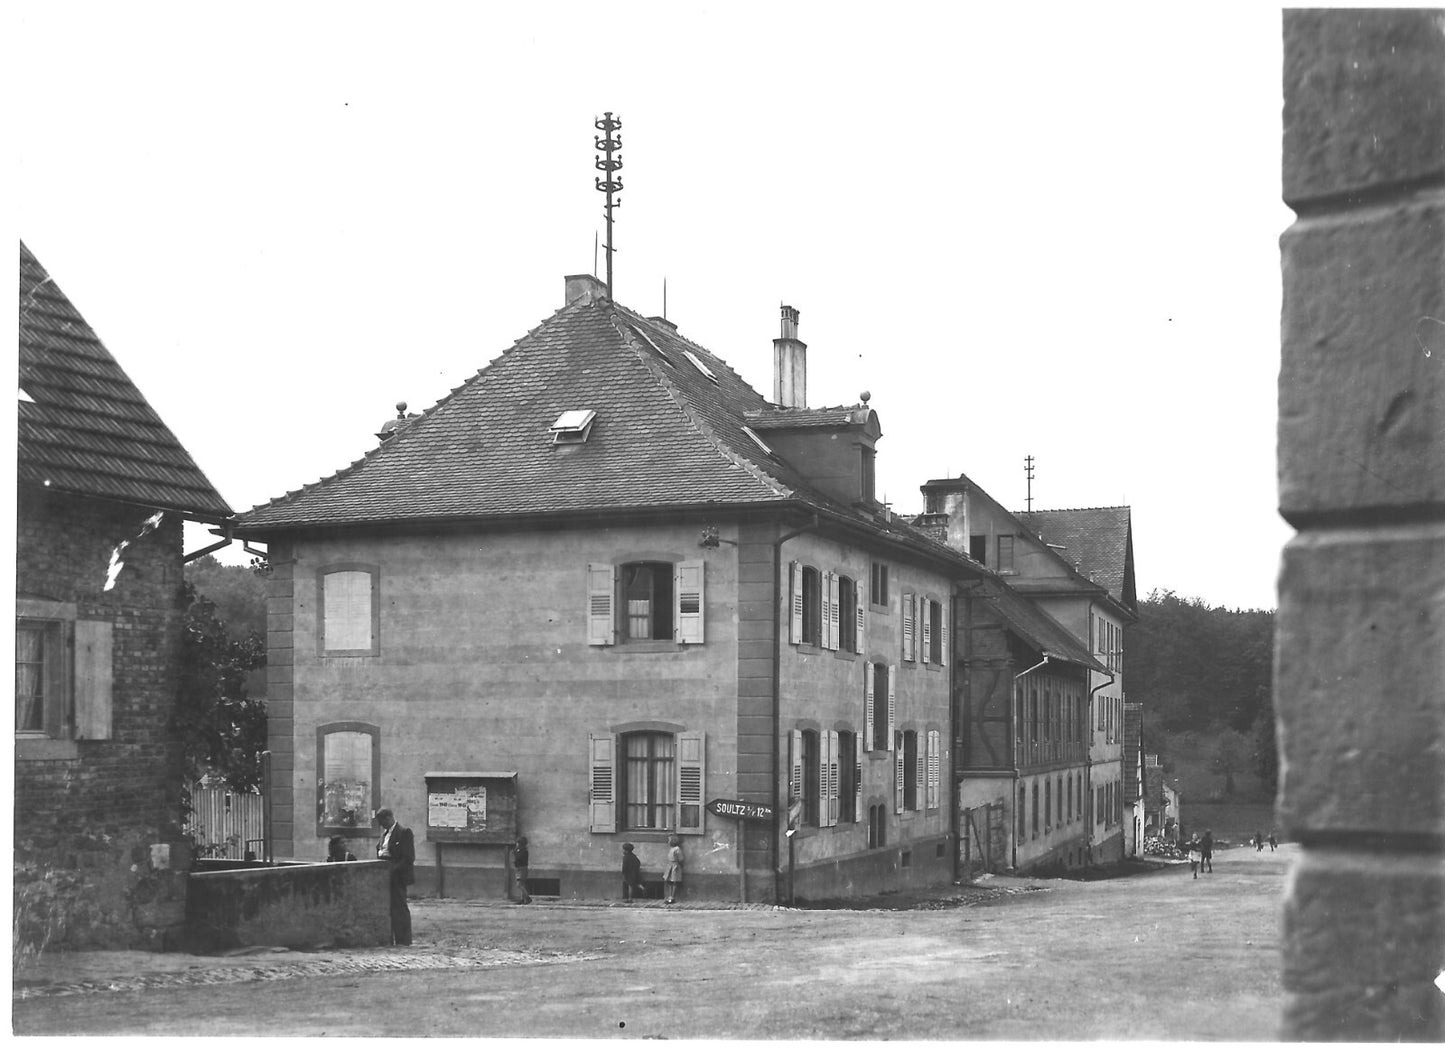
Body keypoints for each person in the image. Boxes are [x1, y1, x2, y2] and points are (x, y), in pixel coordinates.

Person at [376, 808, 415, 945]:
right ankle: (391, 937)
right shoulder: (384, 835)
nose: (381, 825)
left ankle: (403, 939)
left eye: (382, 821)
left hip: (397, 875)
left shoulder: (404, 833)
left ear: (388, 818)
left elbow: (408, 857)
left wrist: (393, 870)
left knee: (400, 906)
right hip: (385, 874)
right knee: (389, 907)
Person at [663, 835, 683, 904]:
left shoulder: (677, 849)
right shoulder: (672, 848)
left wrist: (678, 864)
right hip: (670, 865)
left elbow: (681, 858)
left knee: (674, 881)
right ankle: (669, 896)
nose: (668, 842)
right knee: (669, 882)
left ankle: (672, 897)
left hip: (675, 866)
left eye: (669, 840)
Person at [512, 836, 532, 904]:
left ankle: (527, 898)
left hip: (522, 868)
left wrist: (516, 852)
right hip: (518, 868)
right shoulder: (517, 850)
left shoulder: (524, 851)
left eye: (518, 843)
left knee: (519, 884)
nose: (516, 844)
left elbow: (519, 858)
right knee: (521, 884)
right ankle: (522, 899)